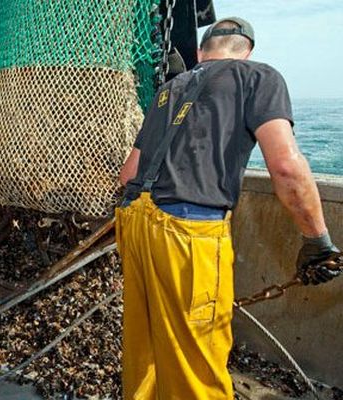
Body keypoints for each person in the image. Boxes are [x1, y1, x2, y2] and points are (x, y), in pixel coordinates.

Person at [116, 17, 341, 399]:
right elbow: (286, 167)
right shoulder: (258, 77)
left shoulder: (168, 89)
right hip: (186, 235)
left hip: (135, 220)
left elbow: (128, 175)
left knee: (145, 347)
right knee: (197, 362)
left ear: (201, 52)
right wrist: (317, 239)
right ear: (246, 51)